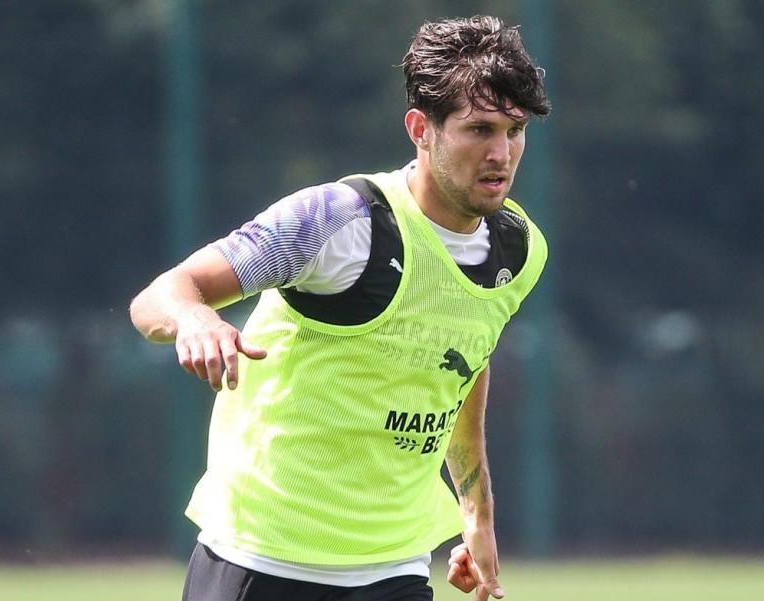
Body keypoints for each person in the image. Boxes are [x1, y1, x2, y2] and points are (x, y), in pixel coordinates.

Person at [130, 14, 551, 601]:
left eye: (515, 130)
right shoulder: (339, 222)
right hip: (262, 557)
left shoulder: (519, 247)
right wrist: (197, 318)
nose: (500, 153)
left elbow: (462, 362)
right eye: (478, 129)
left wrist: (476, 512)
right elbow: (162, 294)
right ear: (420, 129)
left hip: (393, 568)